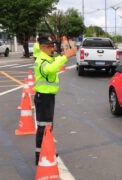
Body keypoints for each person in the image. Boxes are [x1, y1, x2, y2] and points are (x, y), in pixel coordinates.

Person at [33, 35, 76, 165]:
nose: (52, 48)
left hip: (48, 97)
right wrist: (65, 57)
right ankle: (40, 155)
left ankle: (45, 152)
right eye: (49, 46)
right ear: (42, 47)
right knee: (44, 127)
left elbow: (54, 63)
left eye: (52, 46)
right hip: (44, 98)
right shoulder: (41, 60)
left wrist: (65, 53)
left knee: (48, 126)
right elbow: (50, 69)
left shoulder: (47, 57)